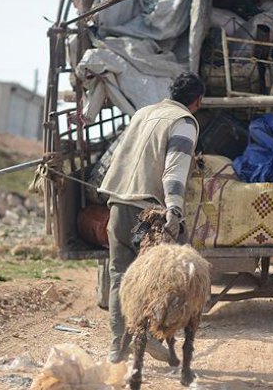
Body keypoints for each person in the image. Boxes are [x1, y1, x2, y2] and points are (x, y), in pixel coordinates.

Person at [98, 72, 204, 364]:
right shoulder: (183, 122)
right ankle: (151, 339)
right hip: (149, 213)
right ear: (197, 101)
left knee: (120, 274)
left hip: (118, 203)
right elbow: (174, 169)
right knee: (160, 280)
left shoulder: (142, 113)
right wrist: (174, 209)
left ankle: (118, 346)